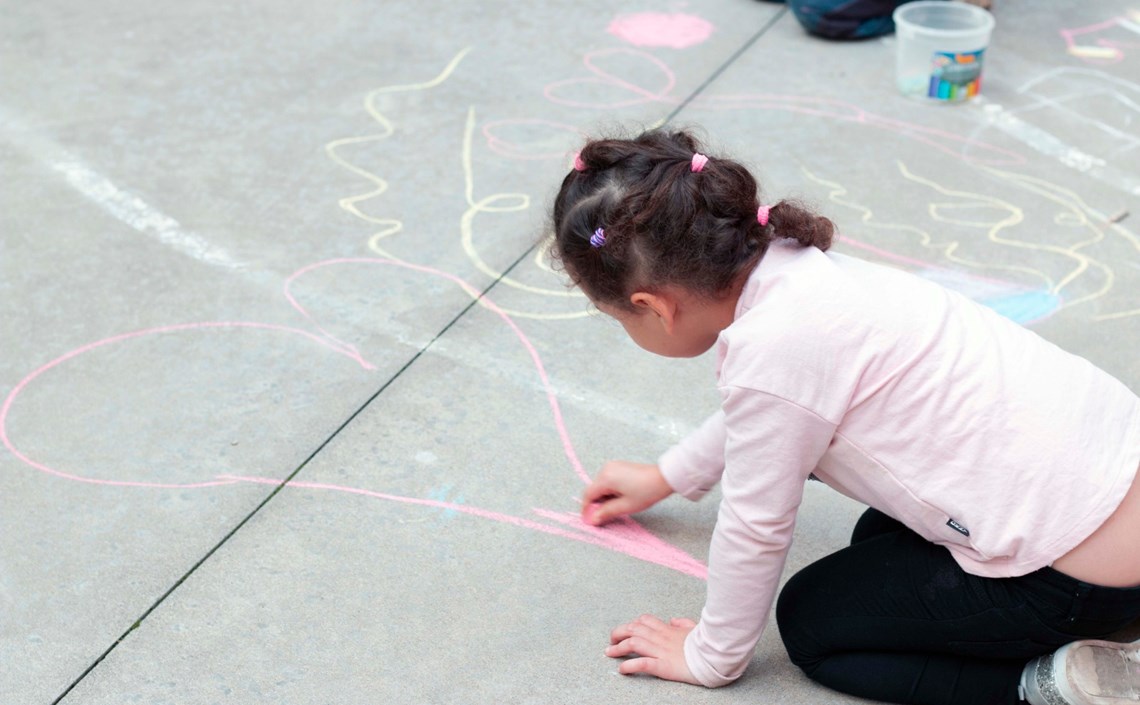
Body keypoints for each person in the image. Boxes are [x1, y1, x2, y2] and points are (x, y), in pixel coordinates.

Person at [550, 128, 1140, 705]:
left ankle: (1050, 685)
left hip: (1077, 580)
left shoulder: (773, 353)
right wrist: (669, 475)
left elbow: (756, 525)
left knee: (813, 624)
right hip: (1112, 481)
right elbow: (768, 417)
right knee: (875, 542)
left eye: (619, 318)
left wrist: (711, 657)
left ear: (654, 308)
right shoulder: (796, 269)